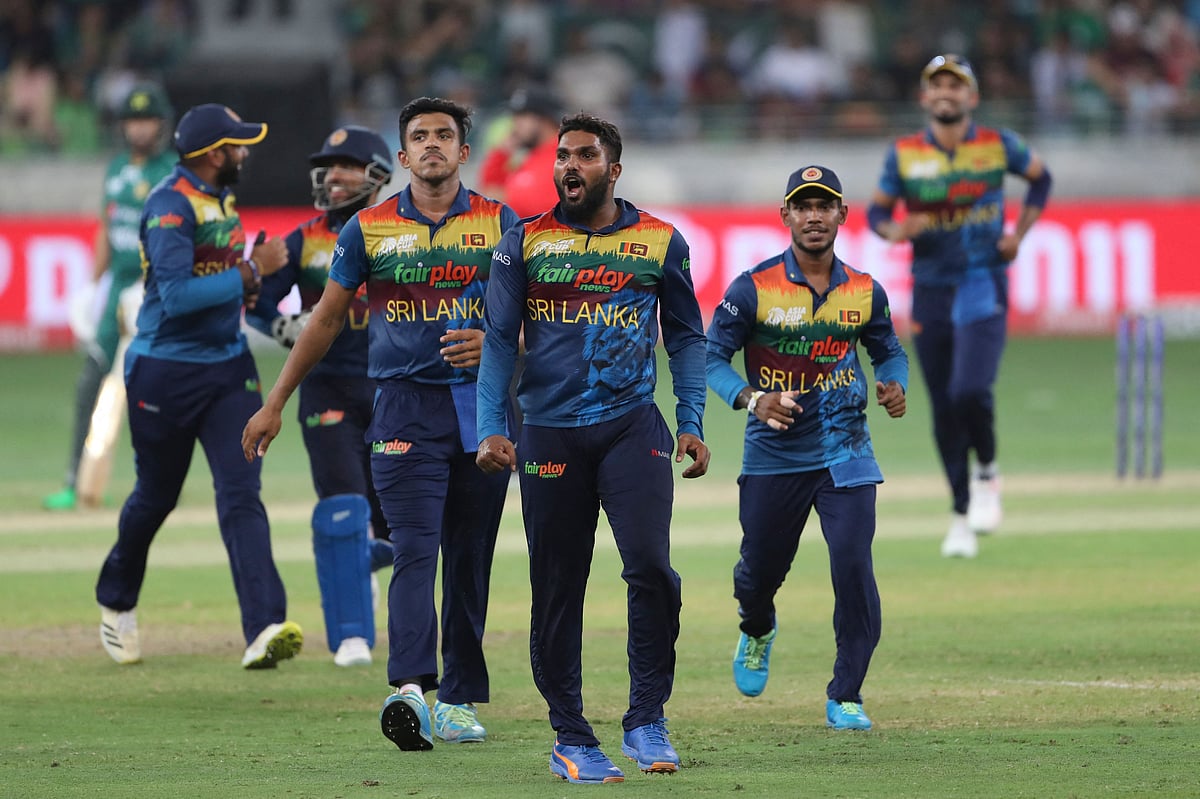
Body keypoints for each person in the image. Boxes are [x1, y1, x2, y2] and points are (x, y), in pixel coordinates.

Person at [241, 97, 518, 749]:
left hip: (480, 408)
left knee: (469, 557)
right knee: (415, 548)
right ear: (401, 157)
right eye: (418, 136)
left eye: (443, 136)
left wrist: (499, 343)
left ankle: (459, 697)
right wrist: (277, 399)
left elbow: (532, 318)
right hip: (401, 407)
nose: (431, 146)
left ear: (463, 152)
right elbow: (328, 320)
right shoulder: (367, 230)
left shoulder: (501, 223)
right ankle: (411, 691)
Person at [475, 112, 710, 784]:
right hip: (548, 432)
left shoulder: (661, 242)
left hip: (632, 426)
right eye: (562, 157)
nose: (569, 167)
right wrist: (492, 426)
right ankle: (571, 734)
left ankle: (646, 717)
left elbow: (687, 337)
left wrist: (689, 417)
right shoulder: (524, 243)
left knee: (652, 569)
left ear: (614, 166)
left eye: (584, 155)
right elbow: (497, 340)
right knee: (557, 583)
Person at [95, 103, 302, 669]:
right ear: (214, 155)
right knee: (155, 497)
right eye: (238, 145)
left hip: (228, 370)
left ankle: (263, 627)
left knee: (241, 492)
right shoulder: (169, 204)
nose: (246, 153)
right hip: (163, 372)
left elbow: (220, 285)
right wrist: (249, 271)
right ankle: (115, 600)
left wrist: (250, 286)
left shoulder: (221, 202)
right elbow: (180, 296)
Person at [706, 165, 908, 732]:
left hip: (847, 450)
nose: (814, 215)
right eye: (803, 205)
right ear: (786, 216)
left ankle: (846, 693)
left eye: (825, 205)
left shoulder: (865, 290)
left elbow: (889, 351)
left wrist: (896, 385)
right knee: (758, 575)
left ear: (843, 214)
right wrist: (753, 399)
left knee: (852, 565)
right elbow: (709, 358)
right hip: (774, 456)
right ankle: (756, 626)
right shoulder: (753, 287)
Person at [867, 54, 1052, 559]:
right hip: (931, 287)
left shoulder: (997, 145)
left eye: (956, 85)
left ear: (971, 96)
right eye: (937, 85)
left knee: (971, 389)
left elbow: (1041, 179)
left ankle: (988, 471)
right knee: (944, 405)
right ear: (925, 97)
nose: (946, 93)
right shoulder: (904, 154)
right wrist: (894, 230)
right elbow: (877, 213)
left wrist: (1019, 233)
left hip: (982, 281)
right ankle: (959, 514)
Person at [244, 125, 396, 668]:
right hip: (328, 389)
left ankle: (374, 577)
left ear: (377, 174)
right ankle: (352, 633)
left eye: (347, 165)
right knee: (341, 507)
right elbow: (258, 303)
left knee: (395, 521)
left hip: (397, 389)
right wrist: (288, 329)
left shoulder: (403, 232)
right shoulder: (303, 239)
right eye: (328, 166)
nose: (334, 176)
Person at [44, 82, 177, 511]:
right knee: (90, 383)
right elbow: (107, 226)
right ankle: (74, 481)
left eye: (147, 120)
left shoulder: (172, 172)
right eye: (133, 121)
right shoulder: (117, 168)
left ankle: (158, 482)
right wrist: (92, 286)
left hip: (155, 296)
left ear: (161, 124)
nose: (139, 129)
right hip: (117, 291)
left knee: (156, 393)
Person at [477, 85, 563, 218]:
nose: (515, 124)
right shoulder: (533, 156)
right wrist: (501, 154)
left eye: (522, 117)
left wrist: (505, 200)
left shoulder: (565, 154)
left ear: (543, 119)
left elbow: (551, 208)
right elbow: (489, 187)